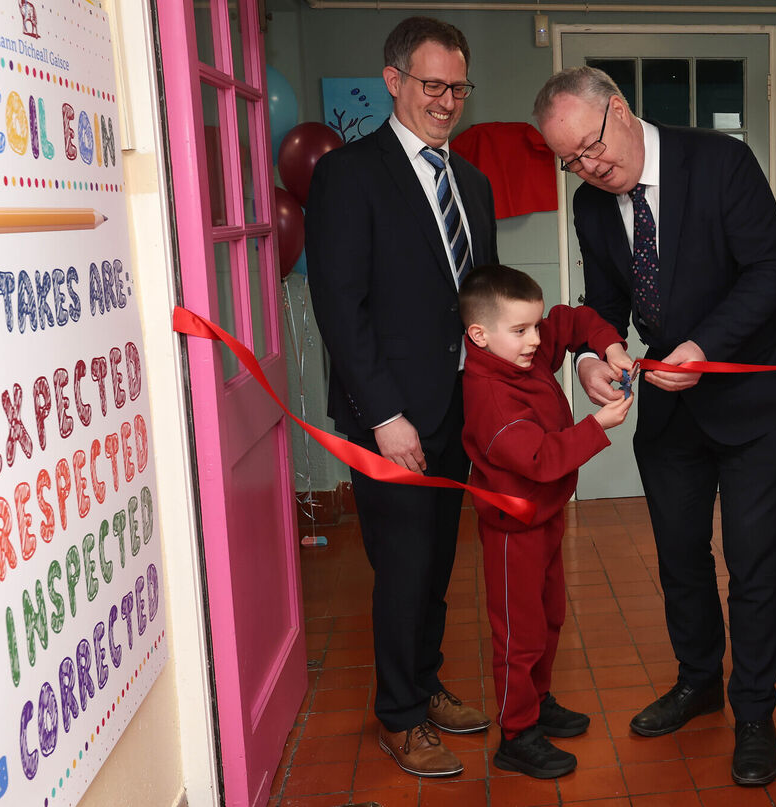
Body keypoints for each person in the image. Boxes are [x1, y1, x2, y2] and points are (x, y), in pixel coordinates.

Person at [533, 66, 776, 787]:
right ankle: (698, 682)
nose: (589, 167)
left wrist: (704, 348)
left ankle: (753, 711)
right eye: (572, 161)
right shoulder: (591, 207)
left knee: (752, 567)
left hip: (753, 405)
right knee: (680, 557)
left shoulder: (719, 161)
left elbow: (769, 272)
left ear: (619, 111)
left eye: (591, 147)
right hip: (669, 407)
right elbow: (604, 302)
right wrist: (595, 355)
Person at [304, 17, 497, 778]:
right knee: (402, 565)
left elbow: (480, 304)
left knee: (439, 560)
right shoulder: (348, 175)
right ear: (394, 81)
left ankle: (425, 681)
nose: (447, 101)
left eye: (458, 87)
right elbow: (340, 307)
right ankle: (399, 716)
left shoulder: (473, 184)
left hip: (459, 409)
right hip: (387, 417)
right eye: (432, 86)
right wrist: (385, 416)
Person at [458, 264, 633, 779]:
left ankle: (537, 700)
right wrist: (596, 426)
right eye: (521, 330)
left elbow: (572, 320)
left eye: (534, 326)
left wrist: (611, 347)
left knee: (550, 615)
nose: (536, 339)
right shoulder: (489, 394)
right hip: (515, 529)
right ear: (479, 335)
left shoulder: (520, 352)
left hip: (547, 514)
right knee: (519, 632)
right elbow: (539, 458)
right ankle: (516, 732)